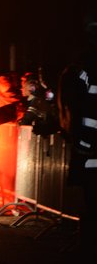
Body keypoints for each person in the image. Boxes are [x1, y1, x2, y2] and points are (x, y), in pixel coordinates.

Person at [58, 13, 97, 252]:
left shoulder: (79, 68)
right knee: (92, 199)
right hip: (89, 147)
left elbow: (72, 106)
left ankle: (88, 244)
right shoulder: (82, 68)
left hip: (88, 147)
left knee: (92, 198)